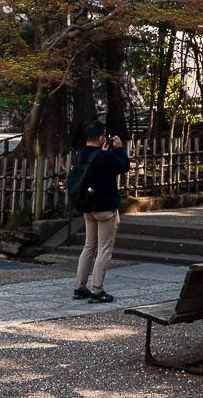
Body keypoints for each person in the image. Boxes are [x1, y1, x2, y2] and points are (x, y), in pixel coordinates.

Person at [73, 119, 129, 303]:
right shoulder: (105, 156)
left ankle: (79, 288)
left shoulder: (80, 155)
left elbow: (95, 169)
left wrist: (105, 152)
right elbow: (124, 166)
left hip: (88, 207)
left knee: (89, 247)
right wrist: (119, 148)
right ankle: (97, 291)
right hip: (105, 209)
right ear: (100, 137)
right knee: (104, 249)